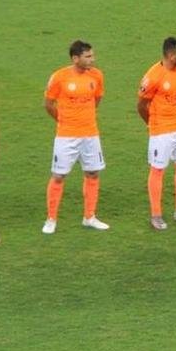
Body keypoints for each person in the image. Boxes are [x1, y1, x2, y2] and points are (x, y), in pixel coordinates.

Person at [42, 40, 109, 234]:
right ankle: (51, 219)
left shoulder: (96, 75)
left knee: (93, 173)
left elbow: (97, 99)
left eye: (92, 55)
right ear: (75, 58)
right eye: (88, 56)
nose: (92, 59)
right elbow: (48, 103)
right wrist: (63, 121)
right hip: (66, 136)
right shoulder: (59, 77)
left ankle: (90, 217)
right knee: (59, 175)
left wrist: (84, 118)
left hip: (90, 134)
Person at [137, 37, 176, 230]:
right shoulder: (153, 77)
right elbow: (141, 105)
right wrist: (152, 124)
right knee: (158, 170)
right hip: (161, 130)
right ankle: (156, 215)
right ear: (171, 56)